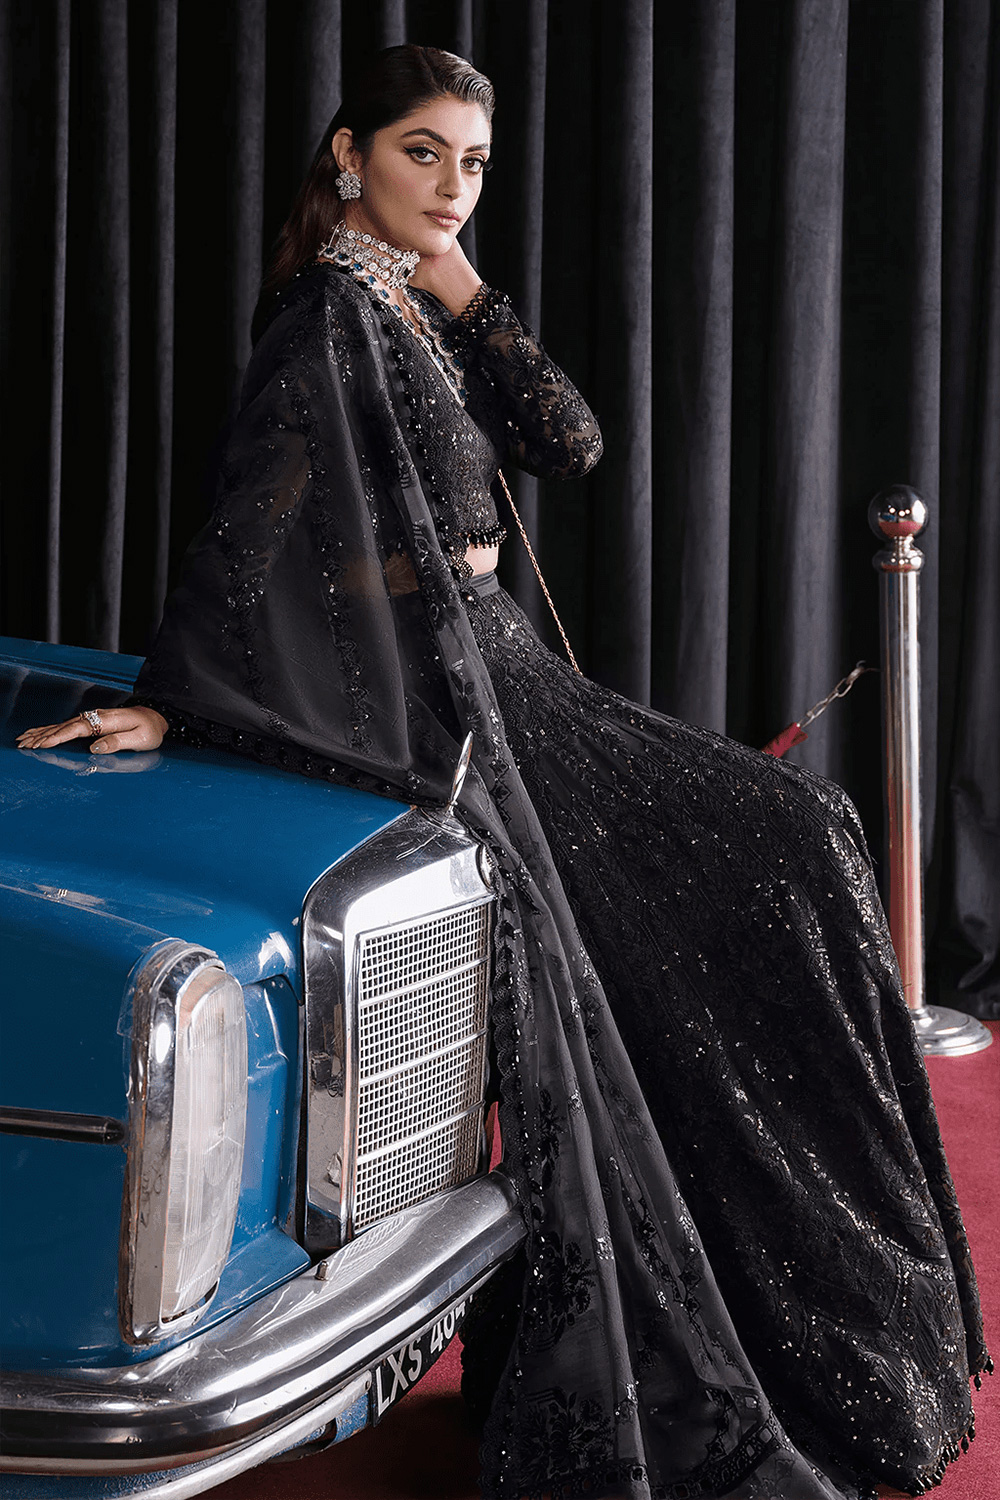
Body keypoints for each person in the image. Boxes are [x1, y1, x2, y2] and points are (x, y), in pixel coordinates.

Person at [18, 44, 989, 1500]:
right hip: (455, 694)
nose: (451, 186)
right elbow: (253, 526)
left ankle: (827, 1320)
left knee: (804, 827)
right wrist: (168, 702)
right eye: (422, 153)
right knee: (786, 836)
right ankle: (778, 1339)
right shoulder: (323, 323)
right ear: (348, 152)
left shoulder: (404, 302)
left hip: (512, 666)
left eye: (471, 164)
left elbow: (569, 441)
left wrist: (465, 285)